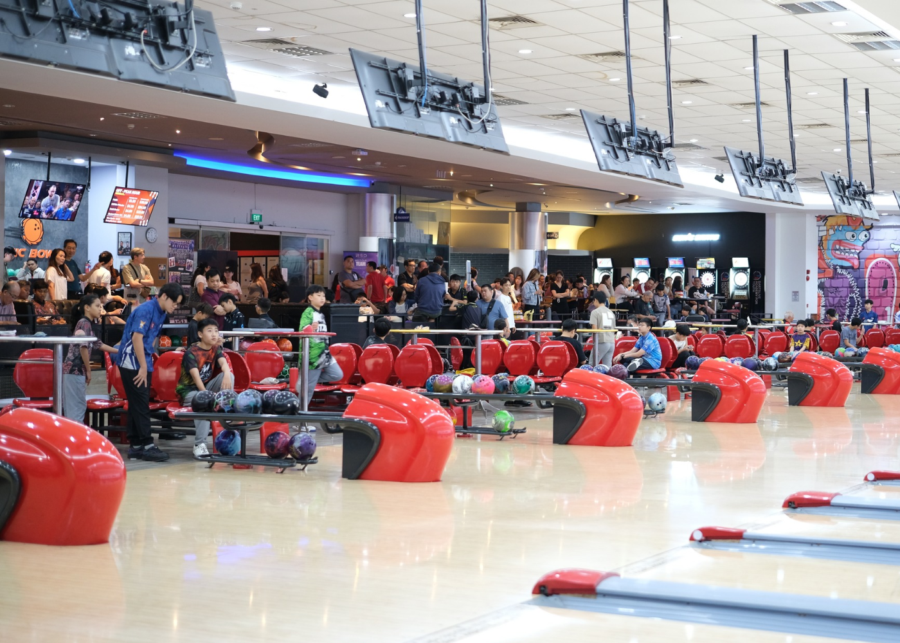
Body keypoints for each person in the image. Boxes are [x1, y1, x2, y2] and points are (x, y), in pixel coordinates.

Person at [117, 282, 184, 462]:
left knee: (137, 403)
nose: (175, 307)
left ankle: (136, 446)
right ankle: (147, 445)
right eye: (174, 303)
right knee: (140, 403)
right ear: (164, 296)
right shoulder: (146, 310)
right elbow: (136, 338)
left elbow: (149, 338)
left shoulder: (161, 312)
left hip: (141, 359)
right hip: (132, 361)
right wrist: (143, 366)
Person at [176, 318, 233, 458]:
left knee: (229, 376)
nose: (214, 334)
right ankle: (199, 445)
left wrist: (226, 373)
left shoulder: (215, 348)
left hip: (206, 388)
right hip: (188, 392)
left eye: (216, 331)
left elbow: (223, 363)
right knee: (203, 402)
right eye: (209, 331)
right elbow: (196, 378)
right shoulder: (191, 352)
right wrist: (207, 396)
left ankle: (226, 409)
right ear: (200, 334)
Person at [62, 294, 118, 424]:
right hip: (74, 371)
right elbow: (83, 348)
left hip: (74, 372)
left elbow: (99, 344)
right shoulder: (84, 323)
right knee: (77, 407)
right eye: (97, 306)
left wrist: (120, 351)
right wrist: (88, 370)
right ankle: (74, 438)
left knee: (77, 405)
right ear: (87, 307)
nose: (100, 309)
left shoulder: (86, 324)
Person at [298, 285, 343, 411]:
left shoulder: (321, 314)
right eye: (318, 295)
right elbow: (302, 330)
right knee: (308, 390)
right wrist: (309, 328)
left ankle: (303, 381)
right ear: (310, 297)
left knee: (337, 374)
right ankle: (299, 417)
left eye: (323, 296)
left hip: (325, 353)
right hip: (313, 356)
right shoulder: (307, 313)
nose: (322, 298)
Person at [590, 291, 616, 368]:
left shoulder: (595, 312)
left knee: (592, 364)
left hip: (601, 341)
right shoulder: (611, 312)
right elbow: (614, 328)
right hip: (611, 342)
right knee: (607, 367)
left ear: (595, 300)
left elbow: (594, 330)